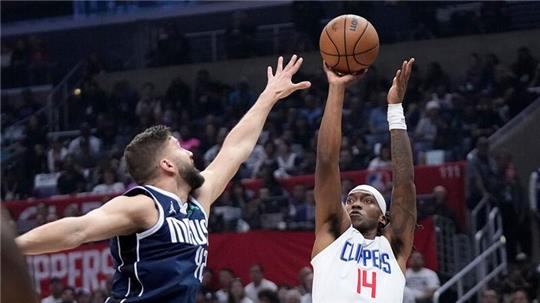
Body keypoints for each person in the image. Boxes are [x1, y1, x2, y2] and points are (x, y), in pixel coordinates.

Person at [15, 55, 311, 303]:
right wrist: (10, 249)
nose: (192, 154)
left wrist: (268, 96)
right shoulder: (144, 205)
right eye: (181, 149)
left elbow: (235, 149)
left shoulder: (198, 200)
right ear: (167, 164)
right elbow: (77, 230)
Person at [311, 58, 416, 302]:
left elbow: (405, 184)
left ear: (383, 217)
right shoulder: (333, 232)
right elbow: (326, 162)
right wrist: (336, 88)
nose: (355, 204)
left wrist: (395, 110)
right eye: (351, 200)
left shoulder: (394, 247)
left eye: (367, 200)